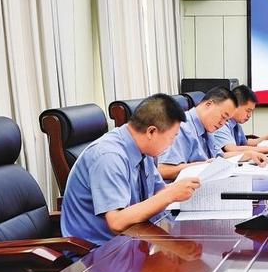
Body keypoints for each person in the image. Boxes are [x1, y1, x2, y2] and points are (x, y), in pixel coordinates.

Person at [61, 93, 200, 246]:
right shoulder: (109, 156)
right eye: (172, 137)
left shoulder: (144, 150)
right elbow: (117, 222)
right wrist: (170, 194)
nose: (172, 144)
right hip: (99, 250)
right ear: (151, 132)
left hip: (136, 238)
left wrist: (180, 189)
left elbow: (158, 192)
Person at [157, 86, 267, 181]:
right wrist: (201, 166)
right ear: (209, 104)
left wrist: (249, 154)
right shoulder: (182, 128)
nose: (222, 123)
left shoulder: (207, 127)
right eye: (223, 117)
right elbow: (162, 170)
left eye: (226, 120)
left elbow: (219, 157)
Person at [212, 85, 268, 158]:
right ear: (235, 105)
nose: (249, 115)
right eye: (248, 111)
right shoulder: (221, 124)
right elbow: (232, 149)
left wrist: (267, 137)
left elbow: (246, 143)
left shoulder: (235, 124)